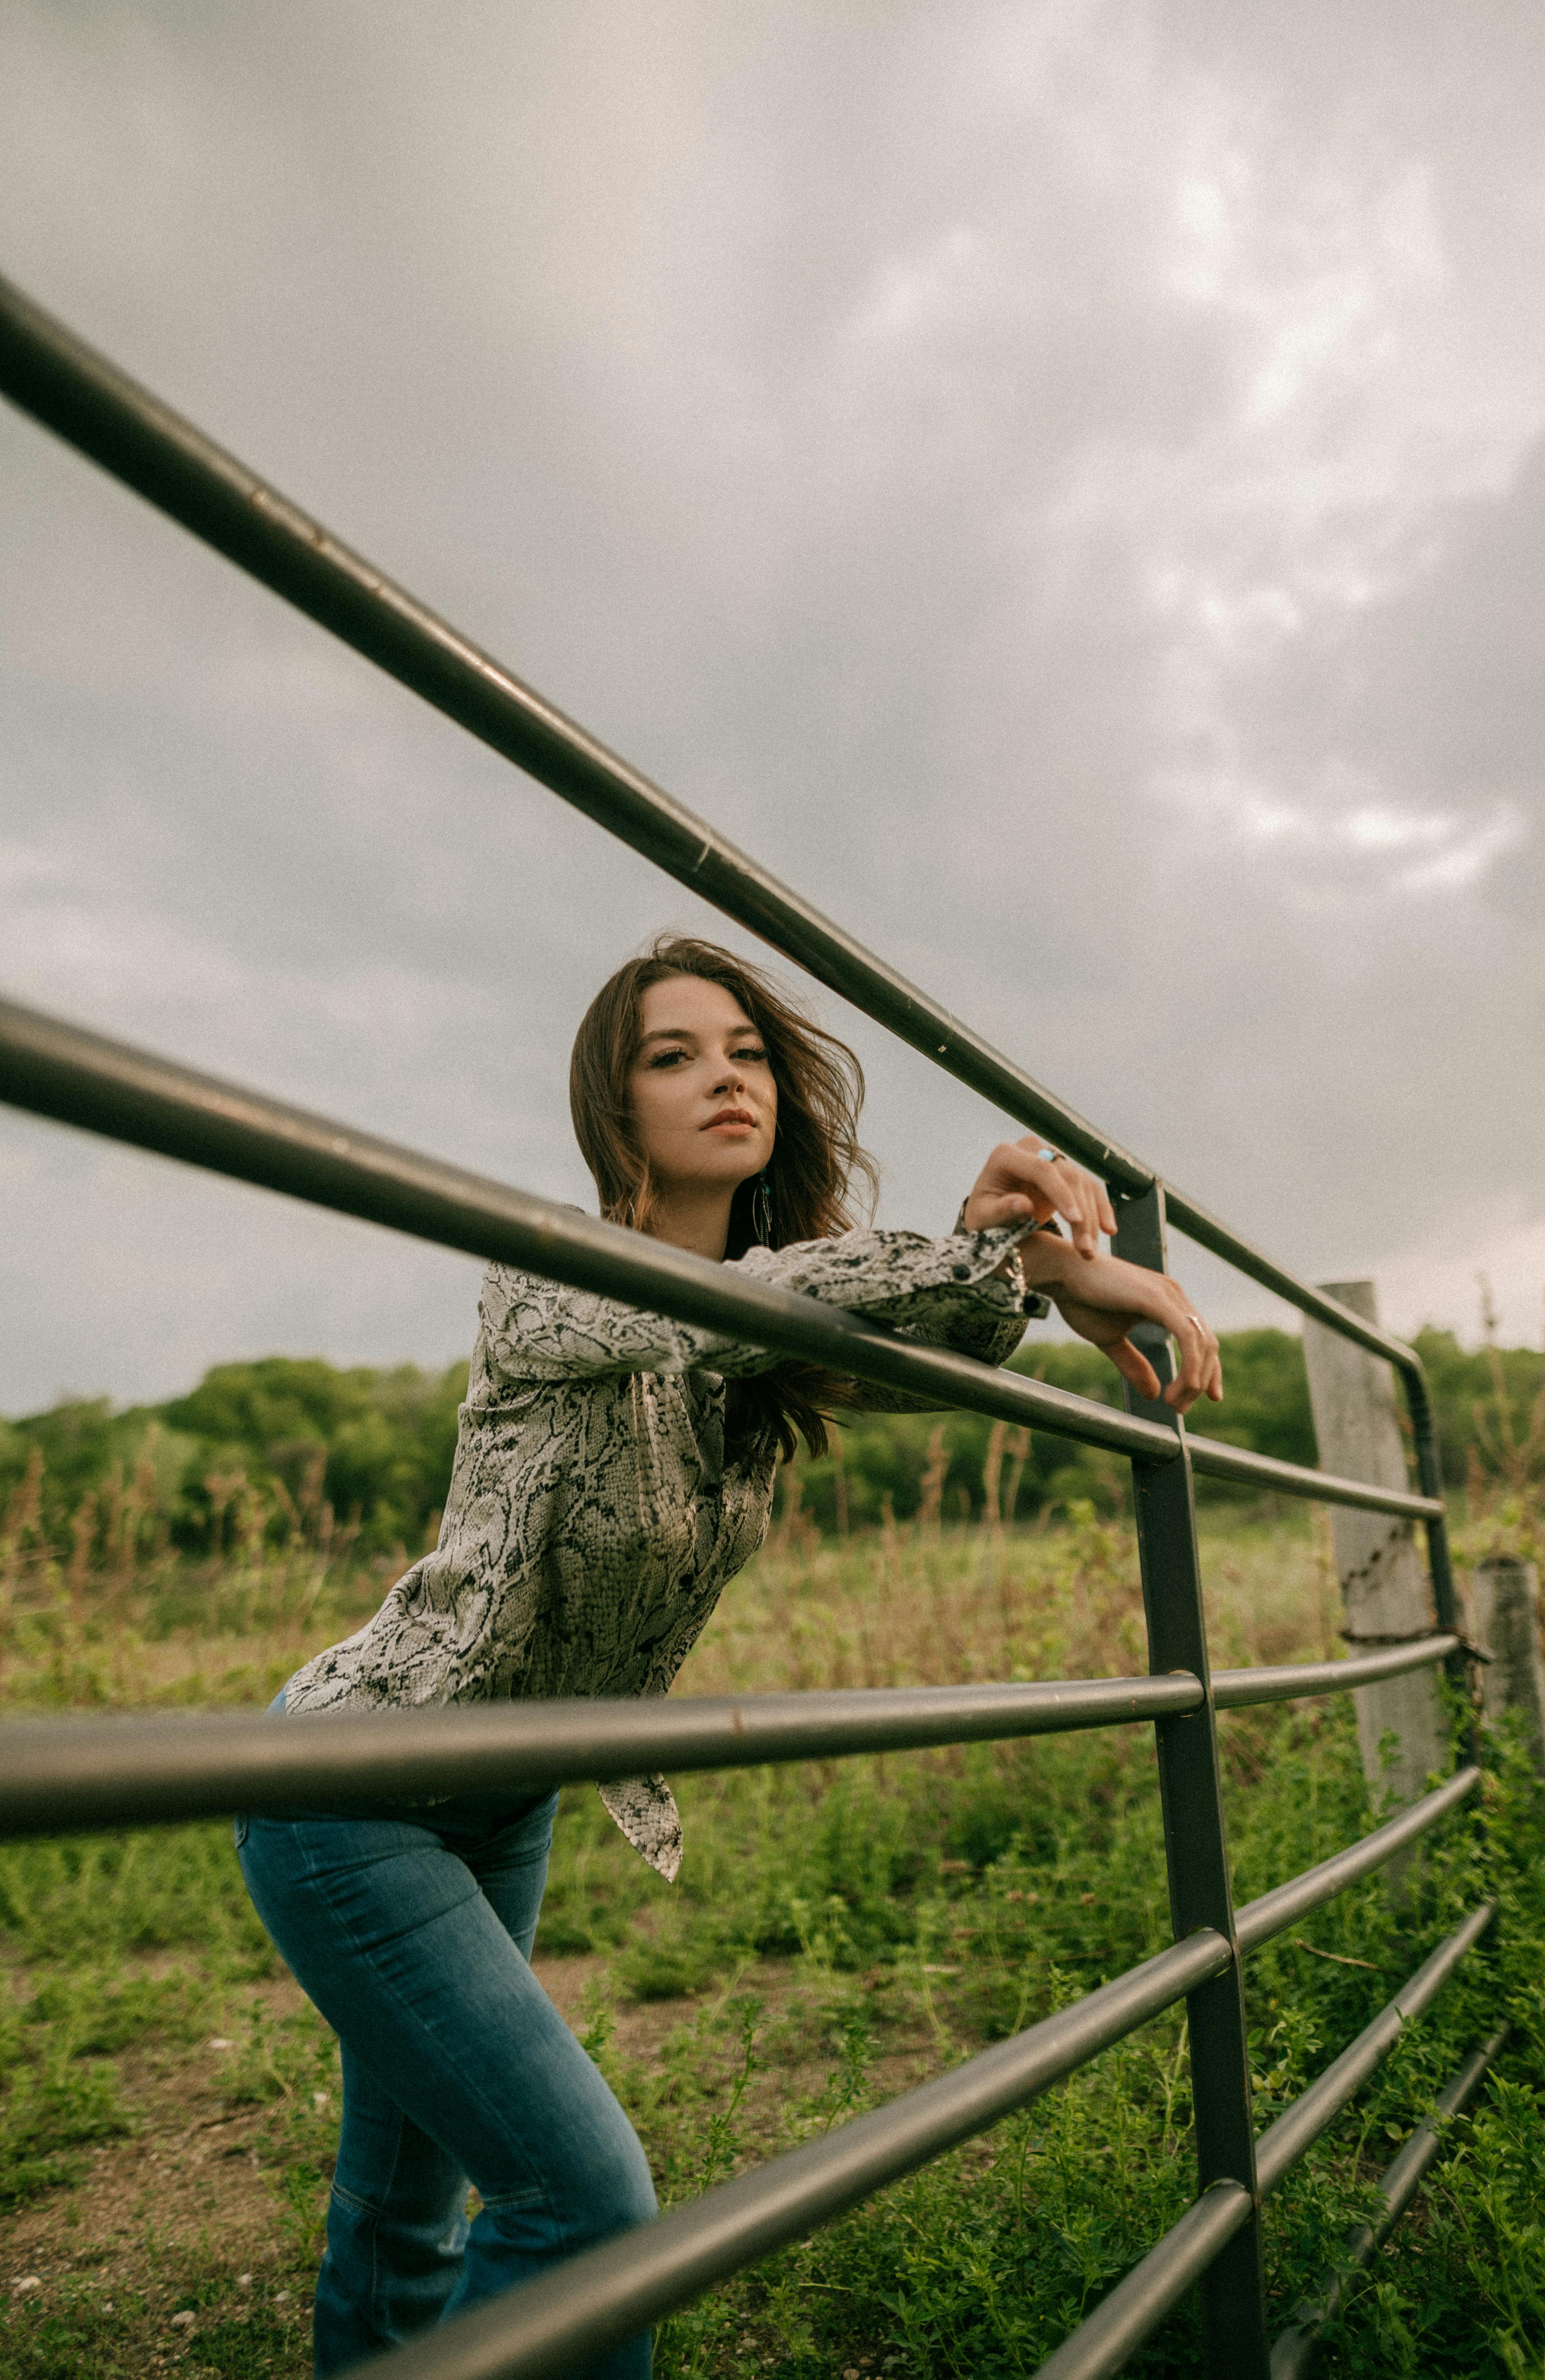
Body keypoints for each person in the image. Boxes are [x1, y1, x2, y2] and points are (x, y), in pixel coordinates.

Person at [236, 935, 1222, 2377]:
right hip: (351, 1788)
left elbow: (869, 1333)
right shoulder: (547, 1275)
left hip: (502, 1802)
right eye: (672, 1055)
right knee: (584, 2206)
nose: (723, 1078)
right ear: (612, 1106)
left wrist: (1023, 1263)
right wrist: (994, 1245)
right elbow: (734, 1307)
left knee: (401, 2217)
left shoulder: (763, 1326)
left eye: (747, 1051)